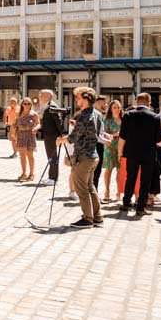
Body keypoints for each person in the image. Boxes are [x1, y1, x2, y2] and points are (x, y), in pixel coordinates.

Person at [58, 87, 106, 228]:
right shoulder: (96, 113)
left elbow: (73, 138)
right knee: (90, 187)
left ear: (86, 99)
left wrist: (61, 140)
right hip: (93, 155)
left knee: (82, 189)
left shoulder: (85, 115)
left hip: (84, 157)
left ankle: (87, 219)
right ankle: (97, 217)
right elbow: (89, 130)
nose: (77, 100)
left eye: (78, 98)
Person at [118, 92, 161, 217]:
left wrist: (120, 151)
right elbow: (158, 139)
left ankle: (126, 203)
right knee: (145, 180)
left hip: (131, 152)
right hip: (148, 153)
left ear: (137, 101)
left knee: (130, 177)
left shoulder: (128, 115)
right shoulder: (155, 117)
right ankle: (140, 207)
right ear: (149, 102)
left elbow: (122, 136)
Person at [101, 100, 124, 203]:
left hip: (121, 147)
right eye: (114, 107)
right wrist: (115, 134)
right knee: (109, 170)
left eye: (118, 107)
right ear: (110, 108)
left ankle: (119, 192)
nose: (116, 109)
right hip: (110, 146)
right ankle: (107, 192)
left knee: (120, 171)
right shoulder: (107, 120)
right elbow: (103, 133)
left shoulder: (124, 119)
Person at [39, 90, 62, 187]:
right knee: (50, 156)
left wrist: (60, 134)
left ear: (48, 96)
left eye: (42, 95)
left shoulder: (52, 106)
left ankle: (54, 178)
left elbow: (58, 121)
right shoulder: (49, 106)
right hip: (48, 135)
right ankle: (51, 176)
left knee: (53, 156)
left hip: (52, 136)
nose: (41, 97)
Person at [14, 98, 40, 182]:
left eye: (28, 103)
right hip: (21, 135)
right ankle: (24, 173)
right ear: (22, 104)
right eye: (25, 103)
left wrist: (36, 128)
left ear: (31, 104)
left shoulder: (34, 114)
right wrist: (13, 134)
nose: (26, 105)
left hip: (30, 135)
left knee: (30, 155)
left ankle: (31, 174)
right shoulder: (18, 114)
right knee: (22, 156)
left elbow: (39, 123)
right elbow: (14, 125)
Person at [92, 96, 107, 190]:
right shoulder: (95, 114)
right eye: (104, 103)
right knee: (95, 172)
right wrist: (106, 141)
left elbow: (99, 131)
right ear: (97, 103)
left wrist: (106, 135)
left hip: (99, 146)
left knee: (97, 173)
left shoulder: (99, 114)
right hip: (94, 146)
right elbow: (94, 133)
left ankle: (94, 193)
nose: (105, 105)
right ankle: (93, 195)